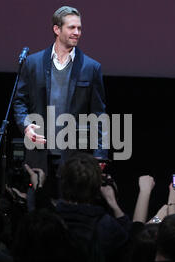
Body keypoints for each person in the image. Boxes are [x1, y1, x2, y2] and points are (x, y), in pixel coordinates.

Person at [13, 6, 107, 197]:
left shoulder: (91, 67)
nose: (77, 33)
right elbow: (19, 101)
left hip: (74, 155)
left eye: (79, 28)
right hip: (40, 153)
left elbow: (99, 114)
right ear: (57, 29)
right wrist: (26, 126)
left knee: (69, 210)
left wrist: (100, 154)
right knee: (39, 212)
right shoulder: (33, 63)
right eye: (72, 28)